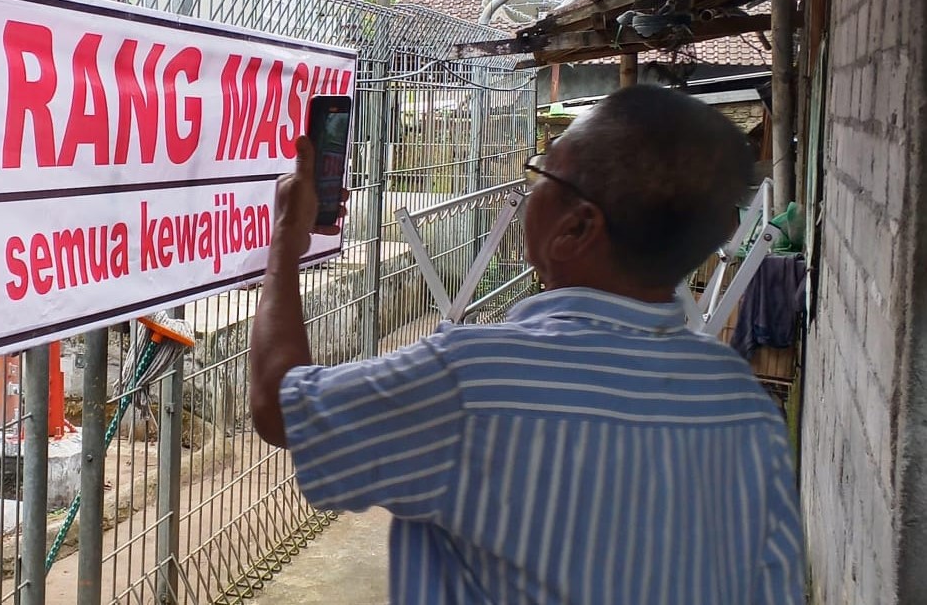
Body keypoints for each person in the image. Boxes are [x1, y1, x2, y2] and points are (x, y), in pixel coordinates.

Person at [249, 85, 804, 604]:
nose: (530, 187)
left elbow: (279, 404)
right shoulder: (745, 409)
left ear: (576, 228)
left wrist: (286, 241)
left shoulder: (474, 380)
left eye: (543, 172)